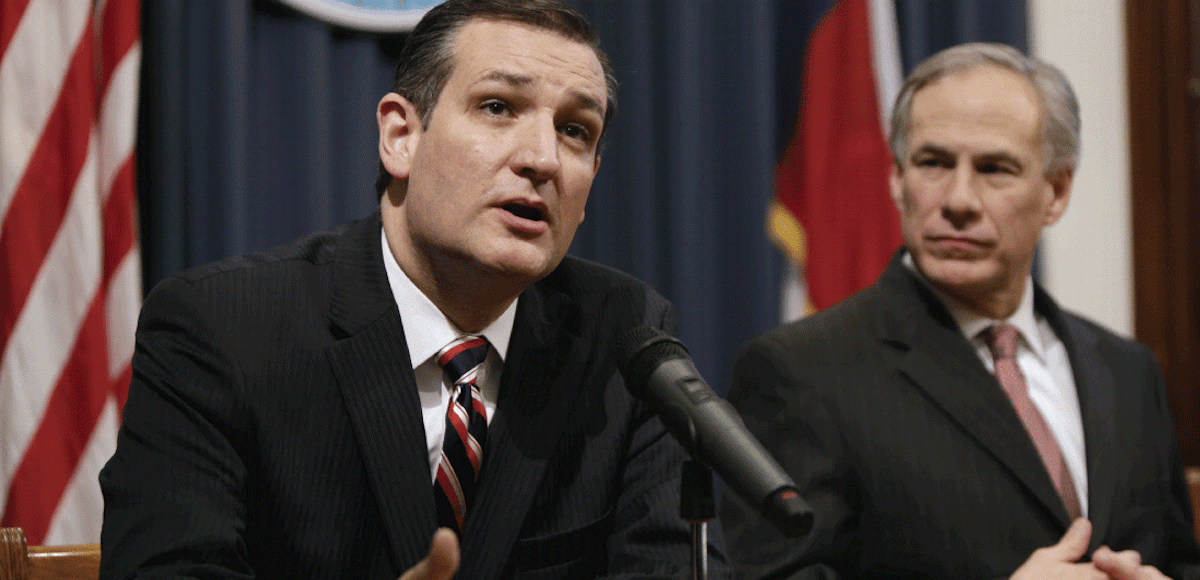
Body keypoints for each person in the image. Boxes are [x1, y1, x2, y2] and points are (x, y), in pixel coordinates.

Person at [99, 1, 729, 578]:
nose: (542, 158)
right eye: (498, 107)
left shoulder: (626, 336)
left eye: (575, 130)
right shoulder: (222, 328)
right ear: (401, 136)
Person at [720, 42, 1200, 580]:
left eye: (995, 168)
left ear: (1057, 192)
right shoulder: (800, 371)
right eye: (933, 163)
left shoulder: (1128, 372)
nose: (959, 199)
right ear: (897, 178)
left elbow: (1178, 560)